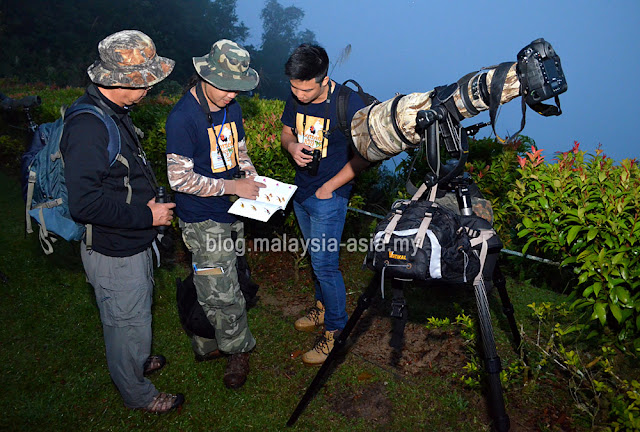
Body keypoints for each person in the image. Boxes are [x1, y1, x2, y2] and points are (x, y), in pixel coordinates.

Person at [61, 30, 184, 413]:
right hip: (114, 250)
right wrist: (147, 215)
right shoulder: (89, 127)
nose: (149, 85)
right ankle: (137, 392)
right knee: (124, 321)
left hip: (131, 241)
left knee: (135, 313)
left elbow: (115, 178)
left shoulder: (113, 111)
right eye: (144, 79)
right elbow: (84, 204)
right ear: (120, 81)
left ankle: (136, 357)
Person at [165, 39, 264, 389]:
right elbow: (179, 179)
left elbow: (238, 150)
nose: (230, 95)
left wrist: (248, 173)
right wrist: (232, 188)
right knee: (220, 287)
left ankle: (206, 340)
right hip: (201, 218)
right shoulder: (182, 118)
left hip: (232, 211)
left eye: (237, 89)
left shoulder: (231, 108)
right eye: (224, 86)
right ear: (203, 76)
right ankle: (236, 350)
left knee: (222, 278)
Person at [280, 44, 370, 366]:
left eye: (305, 89)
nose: (298, 94)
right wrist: (291, 147)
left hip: (330, 196)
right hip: (302, 191)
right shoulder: (295, 96)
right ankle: (321, 308)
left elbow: (365, 156)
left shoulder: (348, 104)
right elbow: (286, 131)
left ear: (324, 79)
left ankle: (335, 330)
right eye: (293, 87)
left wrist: (329, 188)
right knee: (316, 260)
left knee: (325, 266)